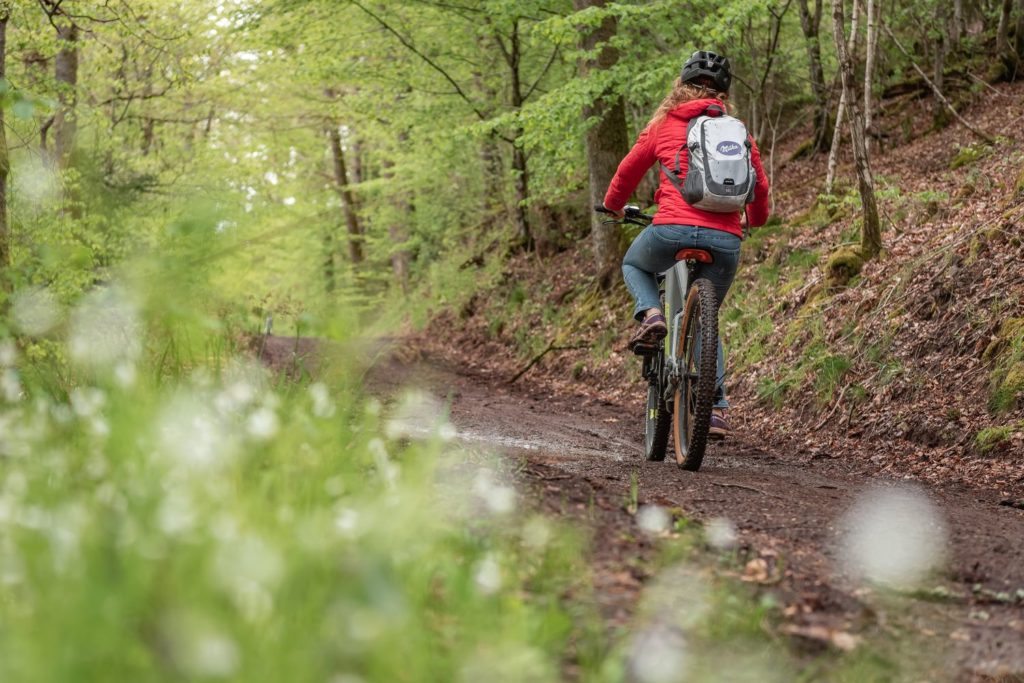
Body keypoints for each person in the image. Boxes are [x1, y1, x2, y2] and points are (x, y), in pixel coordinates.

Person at [602, 50, 770, 438]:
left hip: (670, 230)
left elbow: (627, 171)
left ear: (681, 86)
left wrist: (613, 207)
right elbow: (759, 187)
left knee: (635, 264)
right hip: (725, 239)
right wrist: (755, 221)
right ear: (722, 95)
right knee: (706, 326)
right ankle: (714, 409)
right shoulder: (737, 132)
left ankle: (652, 315)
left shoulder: (663, 125)